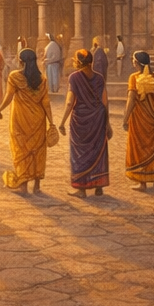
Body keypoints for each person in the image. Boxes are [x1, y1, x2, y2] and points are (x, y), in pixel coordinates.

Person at [0, 48, 54, 194]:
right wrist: (51, 122)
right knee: (38, 150)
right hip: (38, 120)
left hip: (20, 120)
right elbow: (46, 103)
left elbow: (9, 96)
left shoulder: (15, 77)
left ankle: (23, 186)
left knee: (22, 149)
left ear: (21, 62)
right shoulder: (42, 80)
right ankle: (37, 186)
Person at [61, 49, 111, 197]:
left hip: (80, 121)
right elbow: (105, 102)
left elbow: (69, 102)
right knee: (97, 150)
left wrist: (62, 122)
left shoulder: (74, 77)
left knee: (80, 153)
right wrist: (107, 123)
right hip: (98, 119)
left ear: (78, 62)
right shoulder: (99, 77)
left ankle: (81, 189)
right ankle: (98, 186)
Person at [124, 50, 154, 191]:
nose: (132, 62)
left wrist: (125, 118)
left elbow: (131, 99)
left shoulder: (133, 78)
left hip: (139, 120)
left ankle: (142, 182)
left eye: (133, 60)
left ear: (137, 63)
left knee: (140, 148)